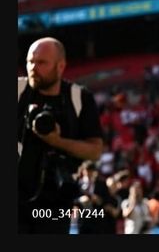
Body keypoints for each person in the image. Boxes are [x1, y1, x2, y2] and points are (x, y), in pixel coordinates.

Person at [18, 37, 104, 233]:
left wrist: (57, 142)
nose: (33, 67)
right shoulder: (17, 91)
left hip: (56, 203)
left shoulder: (79, 98)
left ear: (60, 66)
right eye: (30, 61)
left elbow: (95, 151)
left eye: (41, 63)